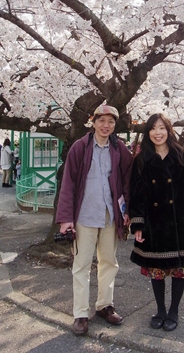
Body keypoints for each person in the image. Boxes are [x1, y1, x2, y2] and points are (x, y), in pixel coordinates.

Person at [56, 104, 133, 336]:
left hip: (110, 214)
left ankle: (104, 305)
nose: (106, 125)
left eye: (110, 122)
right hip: (85, 215)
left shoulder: (119, 148)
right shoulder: (80, 147)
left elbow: (129, 179)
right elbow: (68, 183)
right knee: (81, 265)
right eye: (102, 121)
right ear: (93, 122)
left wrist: (128, 208)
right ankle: (80, 313)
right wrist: (65, 218)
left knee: (109, 262)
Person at [128, 113, 184, 332]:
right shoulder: (141, 160)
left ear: (168, 130)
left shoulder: (182, 157)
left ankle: (174, 310)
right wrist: (138, 225)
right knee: (157, 270)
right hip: (153, 225)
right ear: (148, 133)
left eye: (162, 128)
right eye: (153, 128)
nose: (158, 133)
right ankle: (160, 309)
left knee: (178, 270)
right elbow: (135, 196)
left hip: (179, 223)